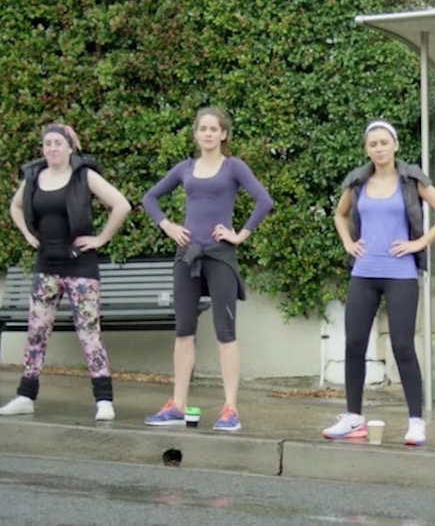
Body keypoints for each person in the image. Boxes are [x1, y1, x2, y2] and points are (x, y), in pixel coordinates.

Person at [321, 120, 435, 446]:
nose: (379, 148)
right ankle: (354, 417)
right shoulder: (357, 182)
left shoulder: (411, 180)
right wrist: (347, 243)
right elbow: (340, 215)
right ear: (367, 149)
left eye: (384, 142)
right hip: (364, 272)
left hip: (401, 275)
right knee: (354, 344)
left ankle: (415, 421)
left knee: (402, 346)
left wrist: (417, 243)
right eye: (373, 144)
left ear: (395, 146)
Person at [142, 107, 274, 431]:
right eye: (203, 128)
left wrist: (239, 235)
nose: (209, 134)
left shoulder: (234, 167)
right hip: (187, 256)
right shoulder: (185, 168)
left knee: (225, 333)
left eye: (214, 129)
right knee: (184, 332)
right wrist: (169, 226)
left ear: (224, 134)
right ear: (196, 133)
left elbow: (264, 201)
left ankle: (230, 409)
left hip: (220, 256)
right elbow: (150, 198)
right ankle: (177, 405)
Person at [1, 124, 131, 421]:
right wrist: (27, 234)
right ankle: (25, 395)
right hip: (46, 267)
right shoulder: (34, 177)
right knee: (37, 332)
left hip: (80, 267)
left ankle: (104, 400)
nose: (53, 148)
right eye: (48, 143)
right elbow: (15, 207)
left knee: (89, 333)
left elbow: (121, 205)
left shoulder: (84, 175)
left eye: (58, 143)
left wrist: (101, 239)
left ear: (71, 147)